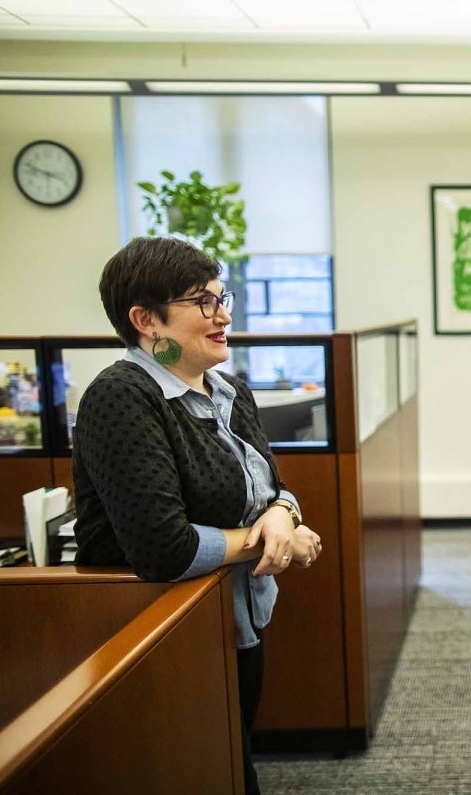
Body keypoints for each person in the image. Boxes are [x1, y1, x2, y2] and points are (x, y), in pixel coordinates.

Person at [72, 236, 323, 795]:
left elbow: (271, 487)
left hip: (239, 619)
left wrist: (283, 512)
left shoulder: (228, 389)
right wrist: (272, 541)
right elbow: (166, 548)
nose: (224, 314)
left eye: (221, 296)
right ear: (146, 320)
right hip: (164, 634)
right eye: (202, 302)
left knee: (234, 761)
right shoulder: (122, 396)